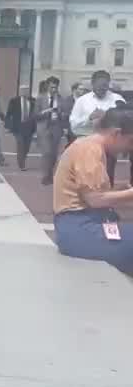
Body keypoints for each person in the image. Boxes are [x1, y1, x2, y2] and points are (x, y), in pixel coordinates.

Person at [52, 107, 133, 273]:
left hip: (81, 226)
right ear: (116, 133)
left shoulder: (90, 147)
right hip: (80, 229)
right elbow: (95, 199)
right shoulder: (89, 149)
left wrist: (120, 189)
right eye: (130, 141)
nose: (130, 148)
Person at [38, 78, 66, 185]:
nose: (53, 89)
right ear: (47, 87)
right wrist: (46, 111)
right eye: (51, 87)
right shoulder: (40, 98)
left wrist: (60, 113)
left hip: (56, 127)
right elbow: (35, 114)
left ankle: (50, 174)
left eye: (55, 87)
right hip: (44, 127)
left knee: (54, 154)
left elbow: (64, 115)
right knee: (46, 152)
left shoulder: (60, 99)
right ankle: (45, 176)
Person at [4, 84, 37, 171]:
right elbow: (8, 114)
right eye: (23, 90)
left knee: (27, 147)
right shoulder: (14, 101)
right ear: (20, 91)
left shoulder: (33, 101)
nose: (25, 92)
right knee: (20, 145)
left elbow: (36, 115)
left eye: (26, 90)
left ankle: (22, 159)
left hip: (29, 128)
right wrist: (8, 126)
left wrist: (36, 127)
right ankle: (21, 164)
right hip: (18, 127)